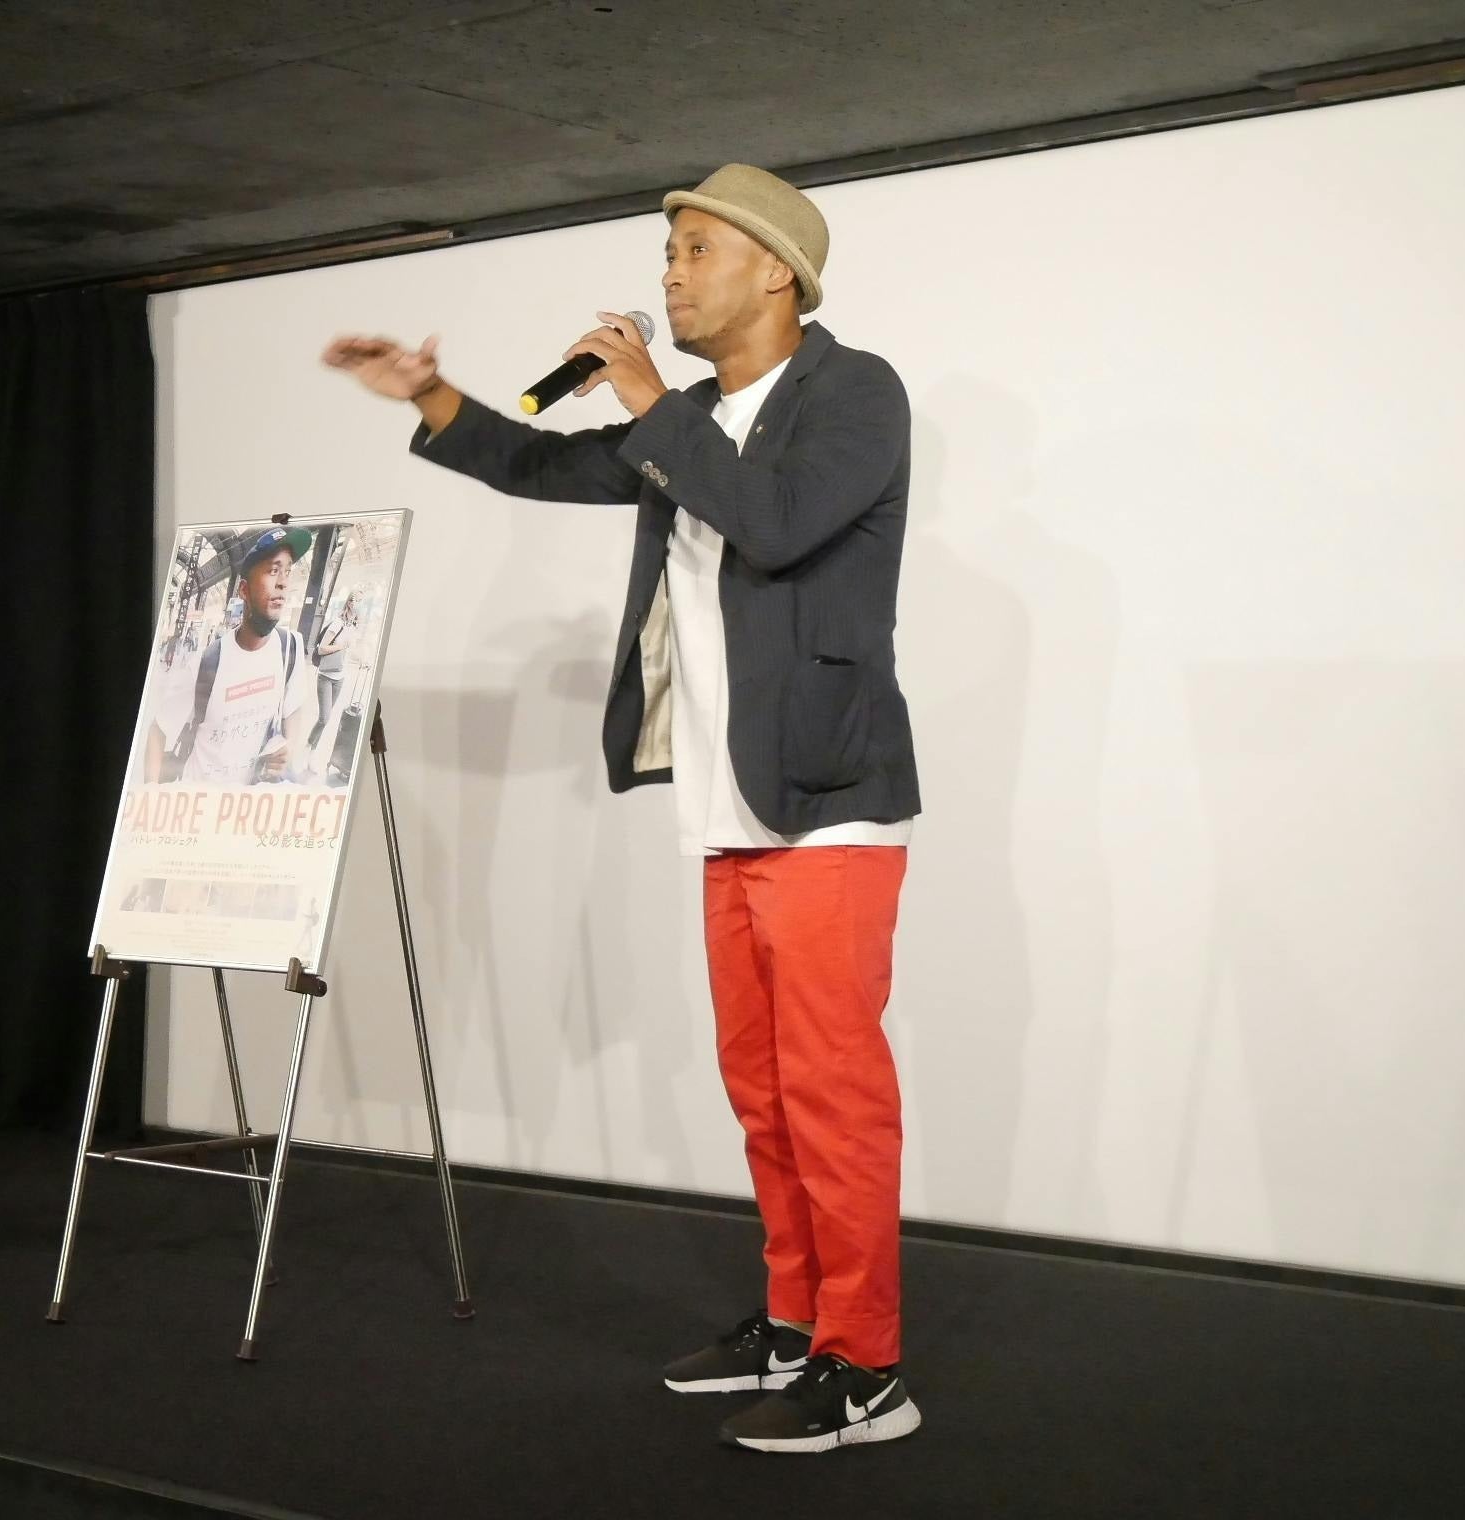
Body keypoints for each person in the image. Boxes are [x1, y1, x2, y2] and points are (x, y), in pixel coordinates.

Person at [324, 164, 921, 1452]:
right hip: (725, 802)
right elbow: (542, 463)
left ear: (776, 270)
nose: (669, 273)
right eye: (668, 252)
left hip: (826, 803)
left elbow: (776, 524)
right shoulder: (687, 417)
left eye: (695, 249)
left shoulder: (855, 393)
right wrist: (431, 395)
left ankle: (866, 1364)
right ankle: (794, 1319)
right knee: (764, 1091)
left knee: (832, 1093)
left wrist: (650, 402)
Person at [144, 526, 320, 787]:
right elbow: (158, 730)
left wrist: (289, 748)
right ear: (244, 590)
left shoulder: (290, 648)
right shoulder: (206, 662)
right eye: (273, 571)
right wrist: (149, 797)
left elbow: (293, 708)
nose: (283, 582)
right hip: (201, 799)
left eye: (287, 571)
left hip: (248, 803)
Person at [308, 590, 361, 750]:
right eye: (356, 600)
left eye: (361, 602)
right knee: (324, 718)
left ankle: (313, 748)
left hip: (340, 677)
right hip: (326, 676)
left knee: (326, 718)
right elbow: (321, 649)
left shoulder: (354, 626)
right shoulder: (338, 623)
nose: (358, 605)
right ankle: (309, 744)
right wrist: (341, 646)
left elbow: (351, 651)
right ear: (349, 603)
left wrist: (362, 659)